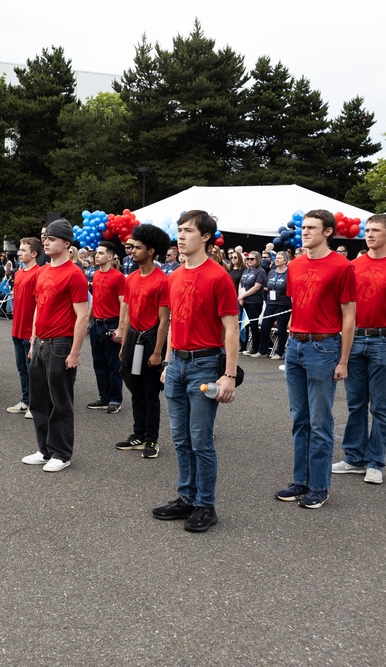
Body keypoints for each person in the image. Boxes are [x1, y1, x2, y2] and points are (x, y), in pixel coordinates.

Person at [153, 210, 238, 533]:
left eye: (188, 231)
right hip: (178, 365)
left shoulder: (218, 277)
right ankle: (185, 497)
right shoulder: (173, 275)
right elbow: (175, 321)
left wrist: (228, 375)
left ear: (205, 237)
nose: (181, 235)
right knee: (180, 438)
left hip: (205, 365)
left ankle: (205, 504)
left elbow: (231, 330)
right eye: (179, 230)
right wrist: (168, 363)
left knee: (201, 439)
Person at [275, 209, 356, 510]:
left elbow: (349, 316)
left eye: (311, 228)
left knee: (320, 421)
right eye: (303, 227)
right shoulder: (295, 265)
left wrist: (343, 359)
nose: (305, 232)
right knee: (300, 419)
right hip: (296, 345)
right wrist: (290, 343)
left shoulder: (342, 267)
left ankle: (319, 487)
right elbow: (299, 305)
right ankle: (301, 481)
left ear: (328, 232)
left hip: (324, 347)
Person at [334, 214, 386, 485]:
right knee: (355, 403)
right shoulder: (353, 265)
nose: (369, 234)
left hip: (385, 339)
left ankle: (375, 462)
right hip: (355, 338)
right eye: (367, 230)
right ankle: (353, 458)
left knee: (381, 405)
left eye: (376, 230)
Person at [20, 219, 90, 472]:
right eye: (45, 238)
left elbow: (83, 315)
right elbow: (40, 306)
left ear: (66, 244)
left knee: (60, 401)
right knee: (39, 401)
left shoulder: (74, 274)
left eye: (52, 238)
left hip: (61, 343)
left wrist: (75, 352)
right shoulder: (42, 271)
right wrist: (32, 340)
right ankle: (45, 449)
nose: (46, 241)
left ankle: (61, 453)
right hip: (41, 342)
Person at [115, 224, 170, 459]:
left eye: (138, 247)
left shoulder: (162, 281)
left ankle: (152, 439)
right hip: (133, 342)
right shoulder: (131, 278)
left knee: (150, 393)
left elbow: (164, 320)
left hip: (150, 341)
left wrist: (157, 352)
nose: (132, 250)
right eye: (131, 247)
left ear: (151, 251)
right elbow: (127, 314)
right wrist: (124, 343)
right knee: (135, 389)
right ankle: (138, 434)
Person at [87, 239, 125, 415]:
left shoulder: (118, 277)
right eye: (97, 252)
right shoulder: (96, 274)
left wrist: (121, 328)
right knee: (98, 363)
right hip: (97, 323)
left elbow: (123, 303)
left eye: (101, 253)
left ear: (110, 257)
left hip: (111, 323)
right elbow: (94, 298)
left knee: (113, 364)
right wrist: (88, 320)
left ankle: (115, 399)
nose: (96, 255)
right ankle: (104, 397)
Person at [6, 237, 41, 418]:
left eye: (24, 250)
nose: (19, 253)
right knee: (21, 368)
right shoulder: (19, 273)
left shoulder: (38, 273)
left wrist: (34, 335)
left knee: (32, 370)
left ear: (34, 254)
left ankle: (35, 405)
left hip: (29, 330)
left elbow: (39, 305)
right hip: (17, 328)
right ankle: (26, 400)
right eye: (19, 250)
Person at [257, 251, 291, 359]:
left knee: (281, 330)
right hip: (270, 303)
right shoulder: (272, 272)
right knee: (264, 327)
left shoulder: (289, 273)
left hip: (283, 304)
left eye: (280, 258)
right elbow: (267, 286)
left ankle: (279, 352)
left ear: (285, 261)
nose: (277, 259)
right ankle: (262, 351)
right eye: (276, 258)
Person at [239, 251, 267, 356]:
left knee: (253, 325)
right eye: (248, 259)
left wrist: (242, 296)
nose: (249, 261)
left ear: (258, 260)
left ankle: (255, 348)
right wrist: (240, 297)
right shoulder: (246, 271)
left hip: (255, 301)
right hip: (244, 300)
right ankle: (243, 346)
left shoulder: (261, 271)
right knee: (244, 324)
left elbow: (256, 287)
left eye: (252, 259)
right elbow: (241, 284)